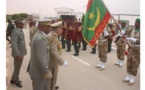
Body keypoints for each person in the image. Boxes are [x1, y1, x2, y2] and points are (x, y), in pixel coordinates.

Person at [28, 21, 52, 90]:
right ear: (43, 27)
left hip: (39, 71)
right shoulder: (41, 39)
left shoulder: (39, 35)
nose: (50, 28)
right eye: (48, 27)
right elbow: (41, 58)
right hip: (39, 73)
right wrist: (46, 71)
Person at [47, 21, 68, 90]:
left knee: (52, 79)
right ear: (56, 29)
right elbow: (54, 52)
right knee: (52, 78)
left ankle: (52, 86)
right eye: (60, 28)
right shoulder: (53, 37)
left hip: (52, 61)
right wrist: (62, 61)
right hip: (52, 62)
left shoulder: (53, 35)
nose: (62, 30)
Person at [122, 18, 140, 85]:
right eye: (135, 22)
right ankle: (128, 76)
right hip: (130, 48)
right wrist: (125, 36)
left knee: (134, 64)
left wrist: (133, 39)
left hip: (137, 50)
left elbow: (140, 41)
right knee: (129, 63)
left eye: (137, 22)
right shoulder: (132, 30)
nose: (136, 23)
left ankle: (132, 78)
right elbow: (127, 34)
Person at [10, 18, 27, 88]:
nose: (23, 24)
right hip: (18, 54)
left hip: (21, 52)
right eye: (21, 23)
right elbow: (13, 44)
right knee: (17, 67)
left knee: (17, 67)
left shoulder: (19, 31)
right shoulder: (15, 31)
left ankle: (13, 79)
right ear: (17, 24)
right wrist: (17, 55)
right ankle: (16, 80)